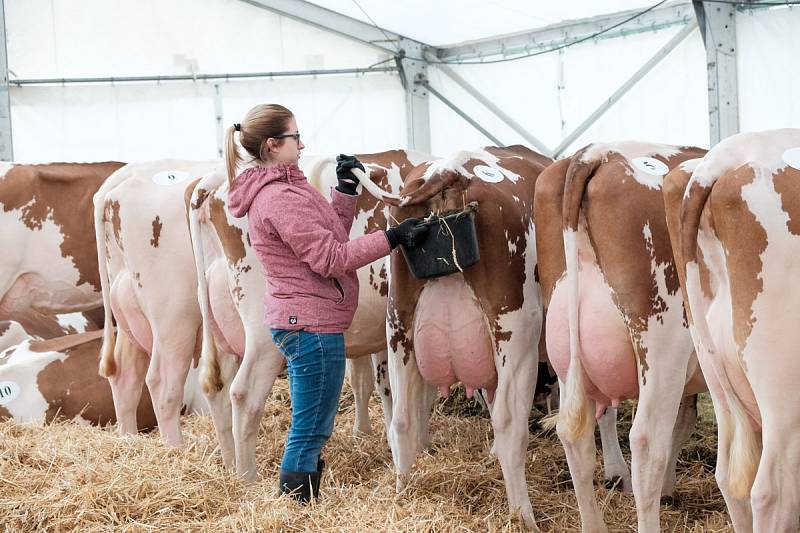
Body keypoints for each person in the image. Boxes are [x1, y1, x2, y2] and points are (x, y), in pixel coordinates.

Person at [225, 103, 428, 502]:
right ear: (272, 145)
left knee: (314, 424)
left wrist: (345, 191)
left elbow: (327, 234)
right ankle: (295, 510)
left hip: (307, 319)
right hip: (310, 325)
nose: (302, 144)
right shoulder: (279, 197)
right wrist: (393, 238)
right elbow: (330, 258)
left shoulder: (288, 187)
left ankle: (302, 505)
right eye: (295, 137)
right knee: (310, 428)